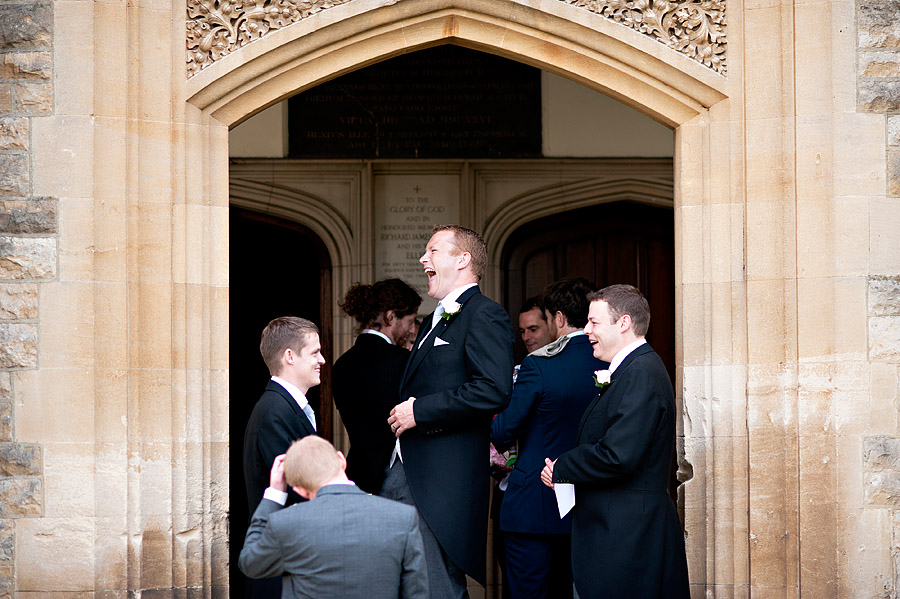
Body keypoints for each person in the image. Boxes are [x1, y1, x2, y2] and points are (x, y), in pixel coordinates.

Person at [383, 224, 515, 598]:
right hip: (403, 471)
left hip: (441, 484)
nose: (423, 259)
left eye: (433, 251)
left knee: (434, 586)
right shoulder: (431, 320)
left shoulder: (485, 314)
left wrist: (419, 412)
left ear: (463, 259)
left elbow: (493, 389)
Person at [540, 284, 689, 598]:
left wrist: (563, 467)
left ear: (623, 323)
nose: (587, 331)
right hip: (619, 534)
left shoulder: (640, 373)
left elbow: (619, 455)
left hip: (629, 540)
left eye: (594, 323)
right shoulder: (633, 370)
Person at [492, 278, 607, 599]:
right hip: (591, 503)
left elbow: (504, 430)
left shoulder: (539, 366)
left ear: (558, 319)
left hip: (534, 507)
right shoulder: (612, 363)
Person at [239, 436, 429, 599]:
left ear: (299, 490)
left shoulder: (286, 524)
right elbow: (417, 594)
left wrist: (274, 493)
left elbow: (250, 563)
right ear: (341, 460)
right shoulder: (402, 517)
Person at [242, 316, 324, 598]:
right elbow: (299, 489)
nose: (322, 360)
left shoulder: (286, 406)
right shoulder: (275, 412)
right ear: (290, 356)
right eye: (315, 352)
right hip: (284, 566)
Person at [332, 278, 422, 494]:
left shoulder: (341, 365)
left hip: (359, 475)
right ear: (390, 317)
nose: (411, 330)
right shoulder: (403, 361)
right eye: (410, 321)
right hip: (399, 478)